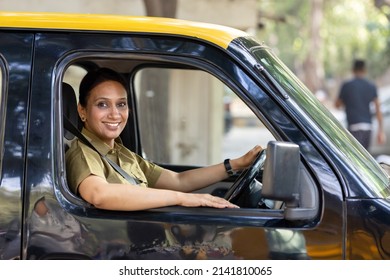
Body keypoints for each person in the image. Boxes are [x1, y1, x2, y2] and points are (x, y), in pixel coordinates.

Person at [65, 68, 263, 211]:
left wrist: (236, 164)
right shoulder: (83, 152)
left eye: (121, 104)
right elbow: (99, 195)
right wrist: (180, 199)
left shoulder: (121, 152)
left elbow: (179, 180)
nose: (115, 114)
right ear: (82, 110)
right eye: (102, 105)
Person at [335, 59, 386, 149]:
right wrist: (381, 131)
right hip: (368, 127)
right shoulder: (371, 86)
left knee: (354, 157)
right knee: (364, 158)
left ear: (353, 70)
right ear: (364, 70)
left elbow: (337, 104)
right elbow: (378, 109)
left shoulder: (347, 85)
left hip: (353, 126)